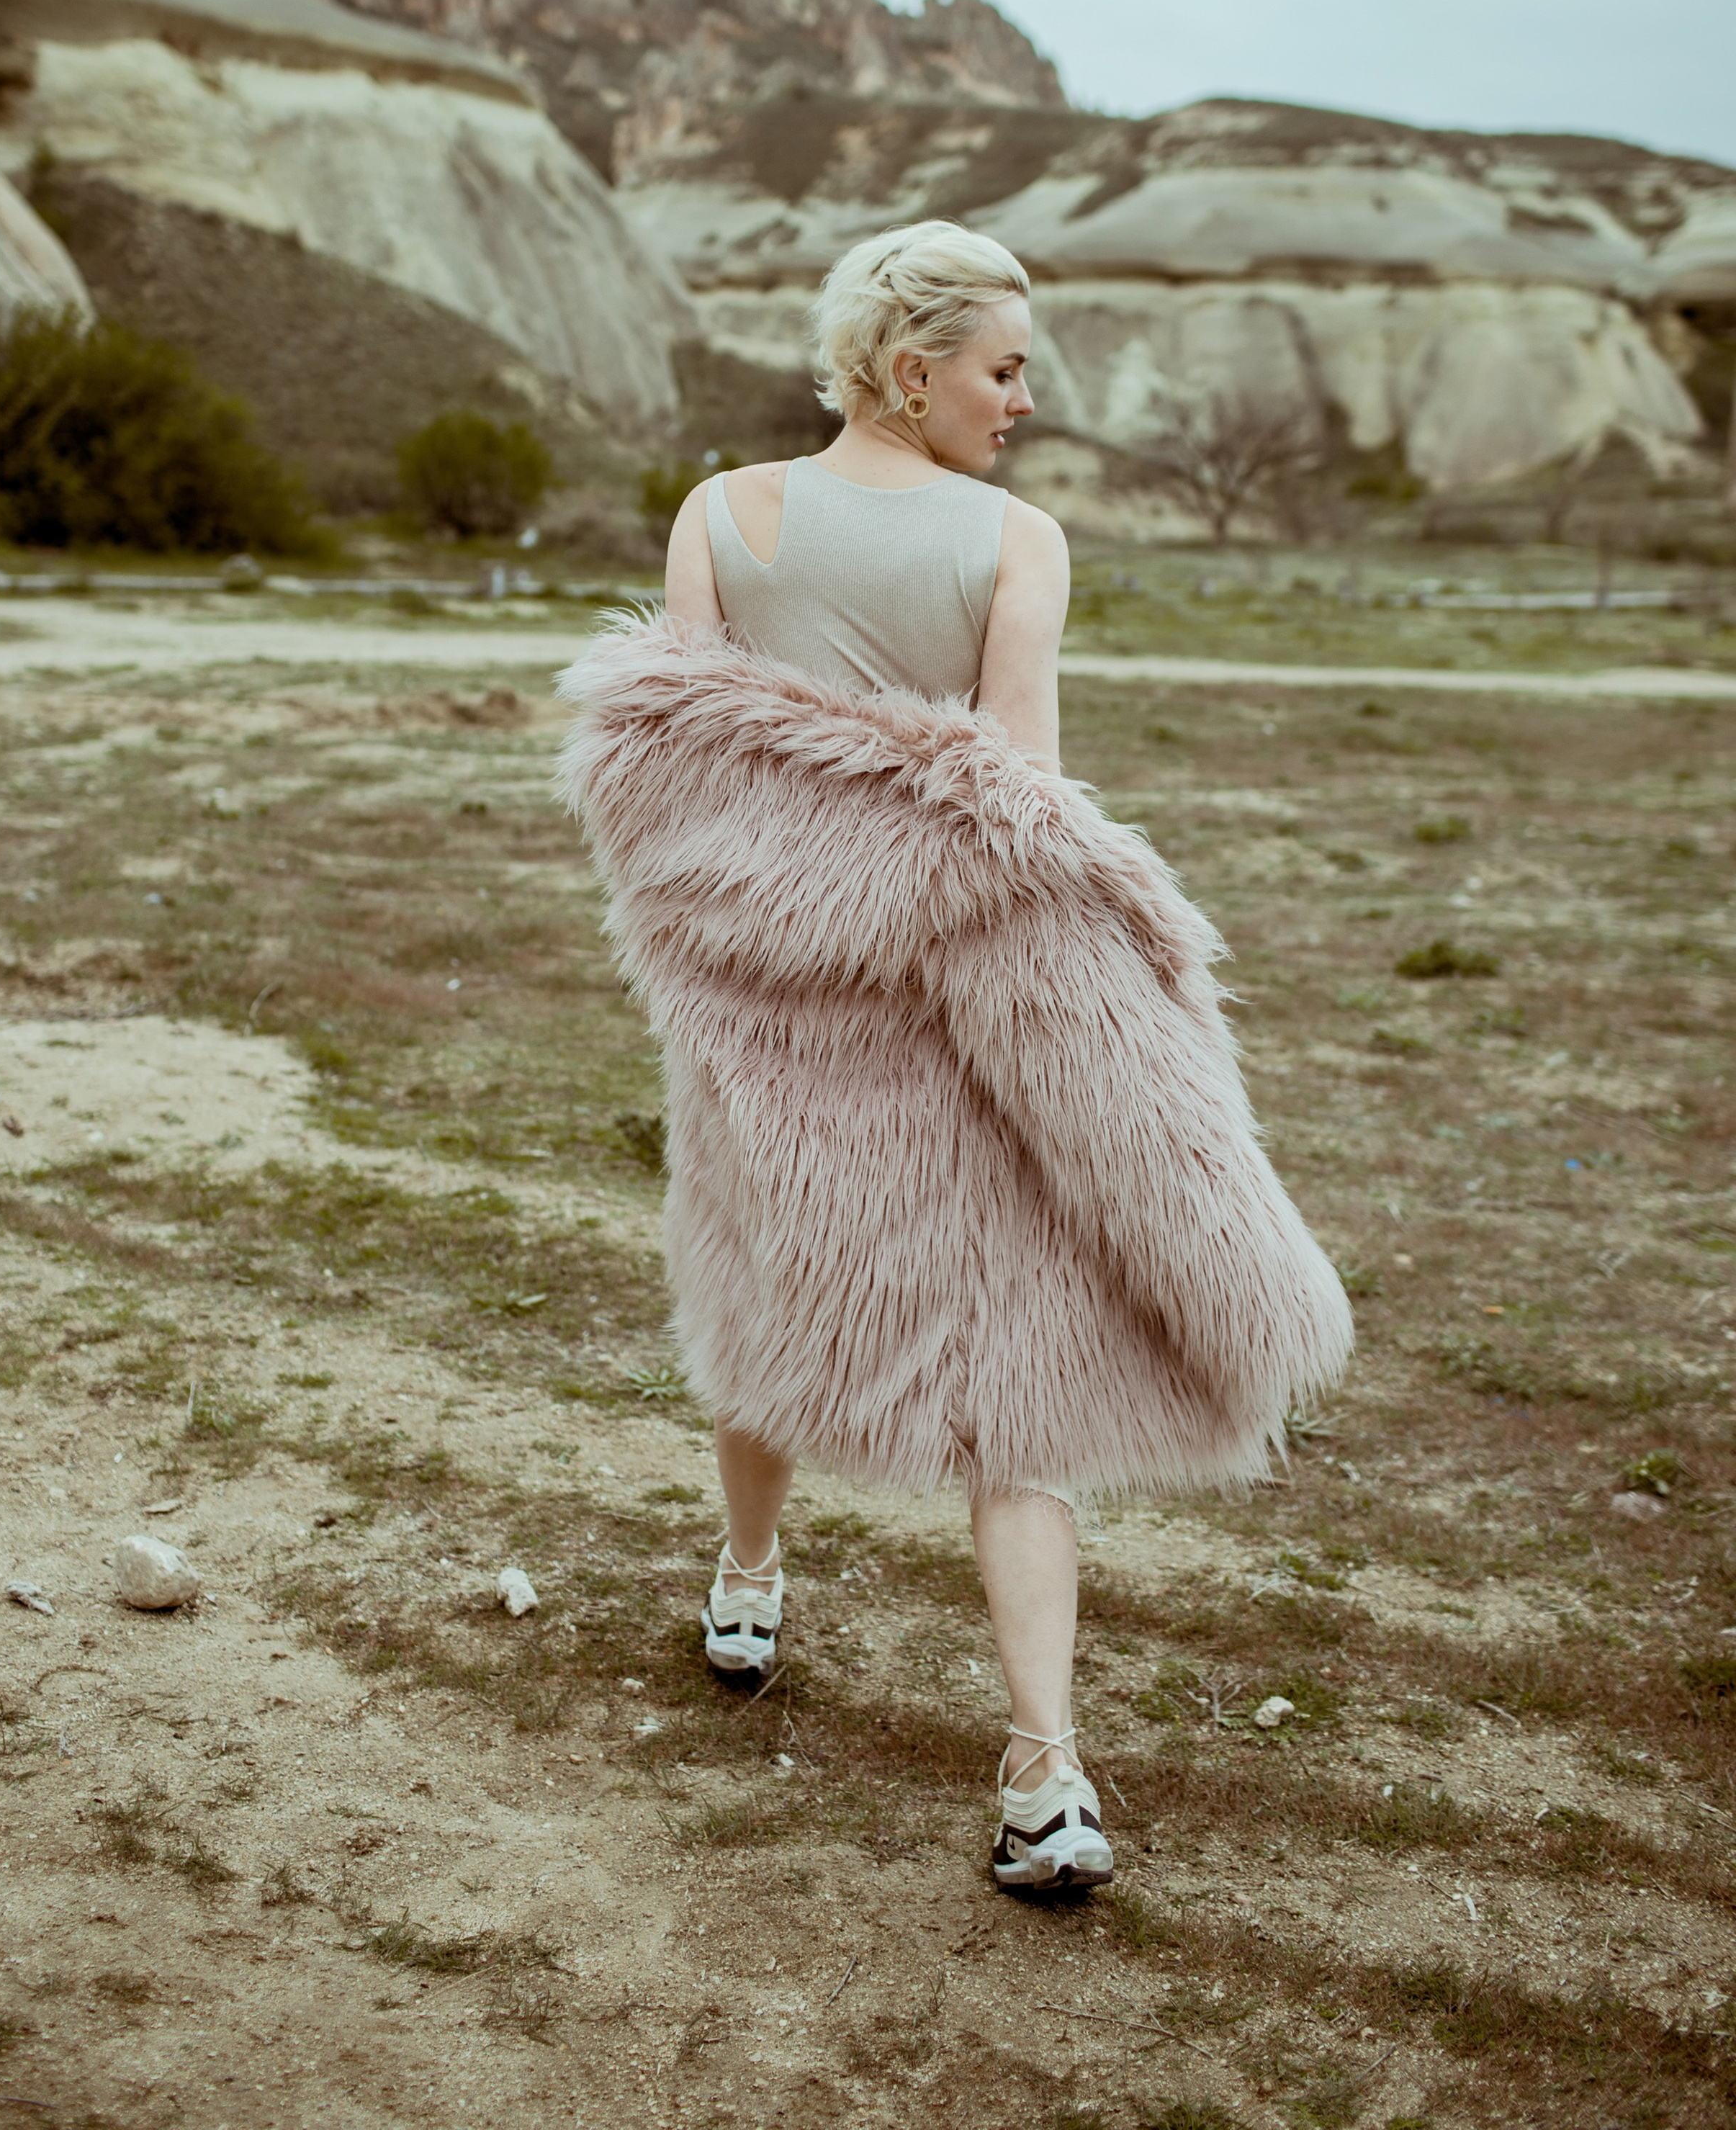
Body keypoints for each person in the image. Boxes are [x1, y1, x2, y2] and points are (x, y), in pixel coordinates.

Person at [558, 220, 1352, 1893]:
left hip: (751, 1021)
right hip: (941, 1026)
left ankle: (748, 1577)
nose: (1024, 398)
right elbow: (1017, 821)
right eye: (1003, 368)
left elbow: (671, 794)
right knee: (1010, 1388)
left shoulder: (718, 515)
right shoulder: (1016, 545)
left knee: (754, 1293)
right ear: (911, 370)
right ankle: (1041, 1776)